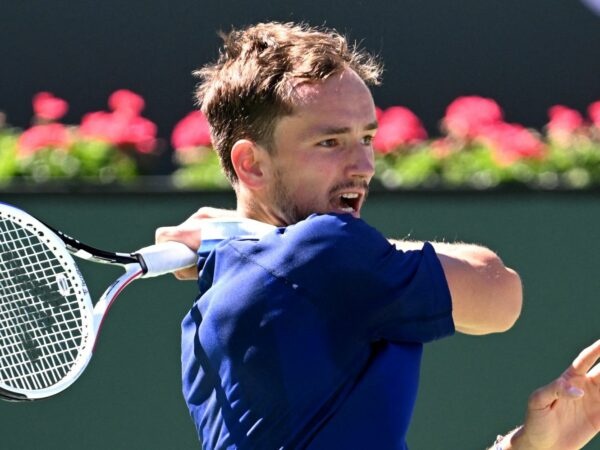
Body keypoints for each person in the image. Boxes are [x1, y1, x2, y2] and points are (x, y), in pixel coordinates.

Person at [155, 22, 598, 449]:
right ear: (251, 163)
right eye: (330, 143)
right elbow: (498, 290)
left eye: (366, 138)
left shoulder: (206, 321)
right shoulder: (324, 251)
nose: (364, 166)